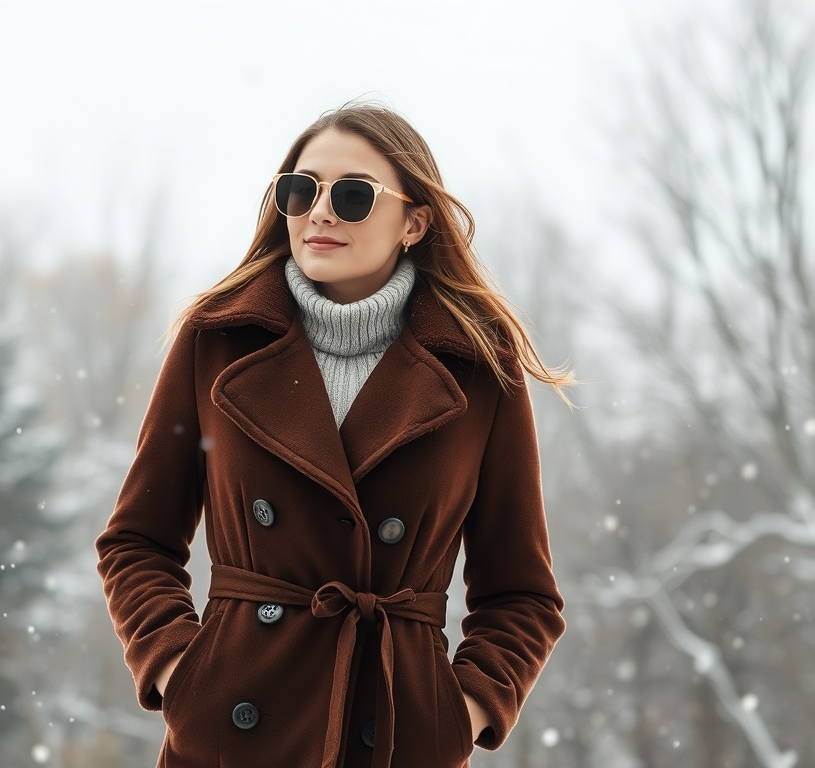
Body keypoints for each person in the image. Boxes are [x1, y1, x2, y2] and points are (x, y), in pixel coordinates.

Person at [96, 102, 572, 768]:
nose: (319, 211)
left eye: (352, 196)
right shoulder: (217, 341)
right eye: (300, 190)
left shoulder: (478, 368)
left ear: (415, 221)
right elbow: (137, 541)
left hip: (396, 737)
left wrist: (458, 714)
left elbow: (521, 594)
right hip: (231, 735)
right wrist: (183, 672)